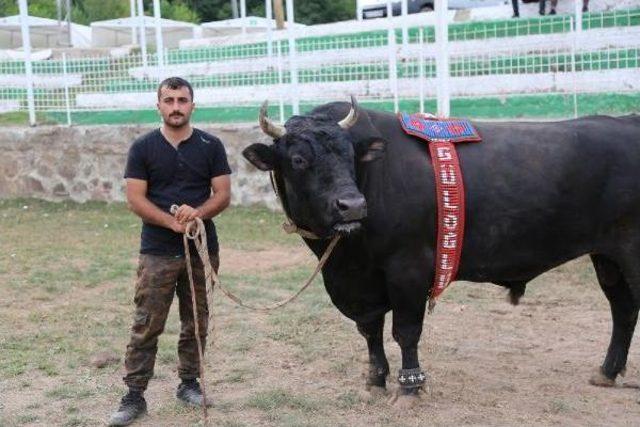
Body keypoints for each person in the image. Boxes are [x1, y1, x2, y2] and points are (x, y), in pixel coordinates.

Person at [108, 76, 232, 426]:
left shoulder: (211, 145)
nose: (176, 107)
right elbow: (135, 198)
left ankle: (189, 384)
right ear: (158, 105)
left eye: (182, 100)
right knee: (147, 323)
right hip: (157, 250)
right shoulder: (143, 148)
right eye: (169, 100)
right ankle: (134, 396)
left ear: (193, 104)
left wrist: (197, 214)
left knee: (197, 319)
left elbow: (222, 194)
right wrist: (171, 222)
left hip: (201, 248)